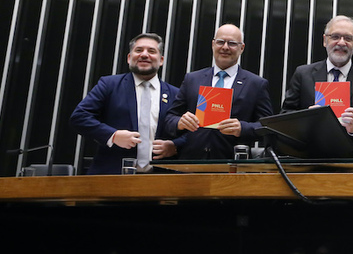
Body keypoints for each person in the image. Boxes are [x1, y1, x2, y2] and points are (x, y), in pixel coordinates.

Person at [70, 32, 183, 174]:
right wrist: (113, 135)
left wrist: (175, 146)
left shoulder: (175, 94)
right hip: (112, 176)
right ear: (129, 58)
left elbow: (193, 133)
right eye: (139, 50)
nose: (144, 54)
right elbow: (79, 117)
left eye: (151, 51)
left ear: (161, 60)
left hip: (161, 179)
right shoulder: (109, 85)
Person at [281, 16, 353, 157]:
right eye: (335, 36)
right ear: (325, 40)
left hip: (350, 165)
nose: (341, 42)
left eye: (348, 38)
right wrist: (306, 119)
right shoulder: (303, 74)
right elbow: (284, 117)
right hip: (306, 161)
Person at [165, 23, 274, 159]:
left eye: (232, 43)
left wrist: (242, 128)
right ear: (213, 44)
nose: (225, 47)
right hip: (191, 162)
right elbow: (170, 118)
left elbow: (268, 127)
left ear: (242, 48)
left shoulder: (256, 84)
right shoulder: (192, 79)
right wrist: (179, 123)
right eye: (220, 42)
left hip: (233, 164)